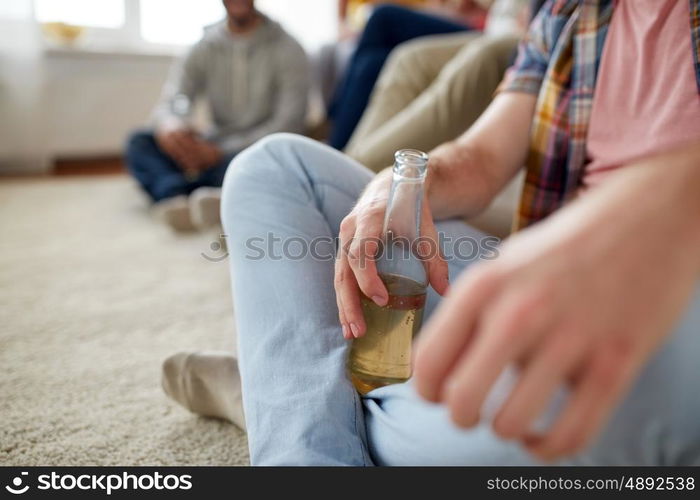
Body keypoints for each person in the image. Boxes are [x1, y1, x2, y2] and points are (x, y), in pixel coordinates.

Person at [169, 0, 700, 465]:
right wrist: (397, 184)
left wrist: (661, 201)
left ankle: (285, 400)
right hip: (536, 277)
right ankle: (304, 429)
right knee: (273, 166)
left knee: (555, 423)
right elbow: (481, 156)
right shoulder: (568, 10)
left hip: (670, 307)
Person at [125, 0, 308, 232]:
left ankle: (204, 193)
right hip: (213, 144)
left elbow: (288, 124)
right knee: (139, 142)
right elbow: (176, 99)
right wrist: (173, 125)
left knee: (268, 165)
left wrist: (220, 152)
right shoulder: (205, 45)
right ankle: (179, 197)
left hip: (255, 148)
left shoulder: (288, 48)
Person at [345, 0, 530, 172]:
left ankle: (353, 170)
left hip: (523, 35)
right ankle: (346, 160)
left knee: (383, 18)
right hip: (498, 28)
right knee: (408, 58)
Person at [327, 2, 486, 150]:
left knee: (383, 17)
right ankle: (339, 147)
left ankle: (337, 146)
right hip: (479, 25)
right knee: (374, 63)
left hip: (485, 30)